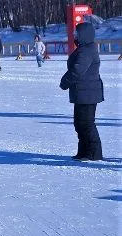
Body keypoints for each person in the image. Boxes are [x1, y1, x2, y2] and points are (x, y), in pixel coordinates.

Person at [60, 22, 104, 161]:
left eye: (77, 34)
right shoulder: (85, 48)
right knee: (79, 123)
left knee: (86, 123)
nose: (75, 36)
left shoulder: (87, 50)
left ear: (85, 35)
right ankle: (84, 151)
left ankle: (93, 153)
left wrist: (64, 82)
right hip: (83, 92)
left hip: (88, 93)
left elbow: (77, 70)